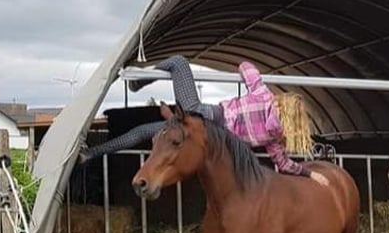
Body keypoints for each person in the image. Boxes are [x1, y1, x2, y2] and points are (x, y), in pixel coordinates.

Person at [80, 56, 329, 186]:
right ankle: (90, 154)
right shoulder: (275, 138)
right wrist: (311, 175)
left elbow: (246, 66)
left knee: (178, 62)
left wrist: (244, 73)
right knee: (150, 130)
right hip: (211, 141)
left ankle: (136, 84)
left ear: (283, 103)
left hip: (205, 117)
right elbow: (285, 165)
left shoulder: (264, 95)